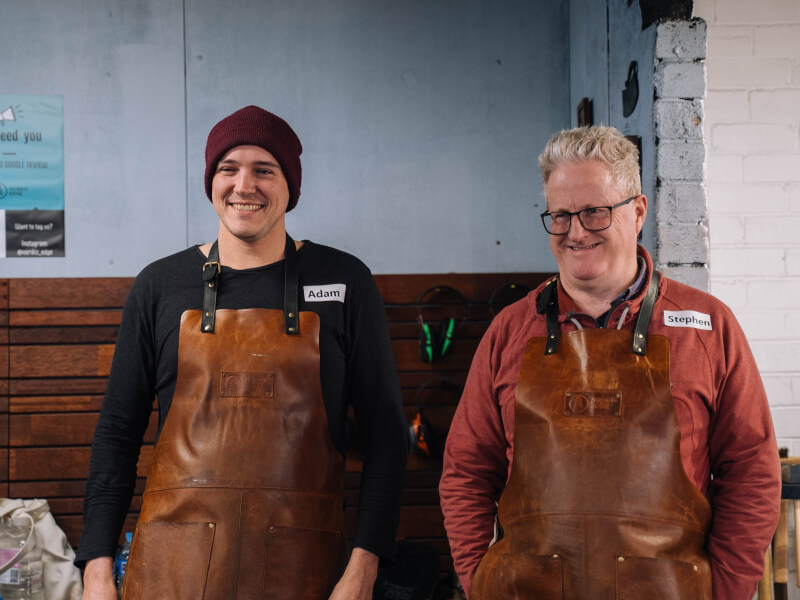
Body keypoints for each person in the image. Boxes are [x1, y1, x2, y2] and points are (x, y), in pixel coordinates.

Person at [77, 105, 409, 599]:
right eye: (229, 169)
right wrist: (97, 567)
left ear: (290, 187)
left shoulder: (344, 280)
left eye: (264, 170)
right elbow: (117, 435)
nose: (244, 185)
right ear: (211, 180)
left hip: (306, 573)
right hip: (173, 574)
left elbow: (387, 437)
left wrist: (363, 570)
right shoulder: (159, 286)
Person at [439, 125, 781, 600]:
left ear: (637, 211)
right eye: (560, 216)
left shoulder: (707, 327)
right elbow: (466, 470)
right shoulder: (509, 332)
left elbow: (752, 472)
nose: (576, 231)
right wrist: (479, 580)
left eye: (595, 212)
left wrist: (723, 591)